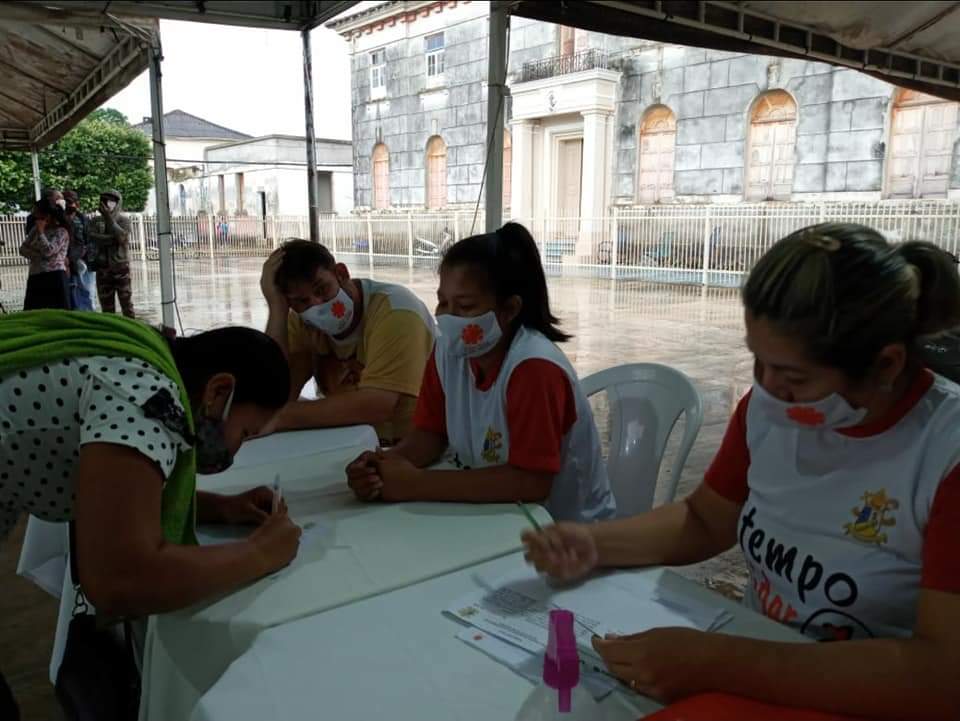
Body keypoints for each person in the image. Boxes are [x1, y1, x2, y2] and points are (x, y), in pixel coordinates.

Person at [523, 223, 960, 721]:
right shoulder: (768, 411)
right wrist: (596, 544)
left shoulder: (945, 454)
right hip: (765, 669)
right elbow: (706, 519)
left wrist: (720, 661)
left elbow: (941, 676)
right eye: (759, 362)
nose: (769, 389)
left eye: (794, 377)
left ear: (886, 365)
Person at [0, 311, 302, 719]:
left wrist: (219, 507)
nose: (235, 450)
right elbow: (119, 576)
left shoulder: (141, 355)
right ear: (219, 391)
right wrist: (261, 553)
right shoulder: (144, 397)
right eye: (245, 432)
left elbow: (110, 493)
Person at [345, 223, 616, 523]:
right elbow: (430, 435)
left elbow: (531, 482)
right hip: (495, 514)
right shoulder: (448, 351)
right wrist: (383, 467)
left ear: (510, 309)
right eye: (443, 301)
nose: (446, 317)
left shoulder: (534, 369)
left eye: (465, 306)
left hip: (564, 536)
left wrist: (414, 484)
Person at [259, 238, 436, 445]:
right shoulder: (301, 321)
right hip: (352, 439)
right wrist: (277, 311)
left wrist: (284, 416)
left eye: (322, 289)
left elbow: (377, 405)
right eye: (301, 301)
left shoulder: (397, 311)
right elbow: (272, 397)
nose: (317, 305)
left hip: (409, 445)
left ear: (341, 274)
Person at [89, 189, 135, 318]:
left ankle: (131, 332)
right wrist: (112, 239)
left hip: (121, 269)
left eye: (111, 201)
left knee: (127, 305)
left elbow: (122, 238)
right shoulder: (95, 221)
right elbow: (93, 238)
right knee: (107, 308)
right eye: (104, 200)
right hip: (103, 269)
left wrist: (109, 218)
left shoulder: (124, 220)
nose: (107, 203)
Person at [19, 197, 70, 310]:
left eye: (38, 214)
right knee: (34, 310)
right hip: (36, 274)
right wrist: (39, 256)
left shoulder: (61, 232)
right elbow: (22, 249)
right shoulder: (34, 230)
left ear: (47, 215)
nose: (36, 218)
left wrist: (41, 233)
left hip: (54, 276)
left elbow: (49, 251)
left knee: (57, 311)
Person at [63, 190, 95, 311]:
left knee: (88, 293)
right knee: (71, 294)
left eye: (70, 201)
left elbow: (89, 240)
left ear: (77, 204)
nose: (67, 204)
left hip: (85, 261)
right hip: (67, 263)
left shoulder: (83, 219)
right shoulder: (59, 219)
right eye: (65, 201)